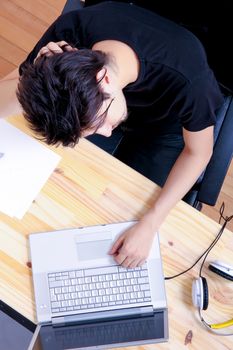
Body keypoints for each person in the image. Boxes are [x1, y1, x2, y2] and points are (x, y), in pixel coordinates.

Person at [17, 1, 223, 268]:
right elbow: (11, 94)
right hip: (109, 105)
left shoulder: (190, 81)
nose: (102, 133)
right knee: (58, 196)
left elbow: (199, 152)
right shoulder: (69, 37)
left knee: (124, 224)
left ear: (103, 78)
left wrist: (151, 223)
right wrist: (34, 73)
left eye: (98, 122)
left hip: (166, 127)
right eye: (91, 129)